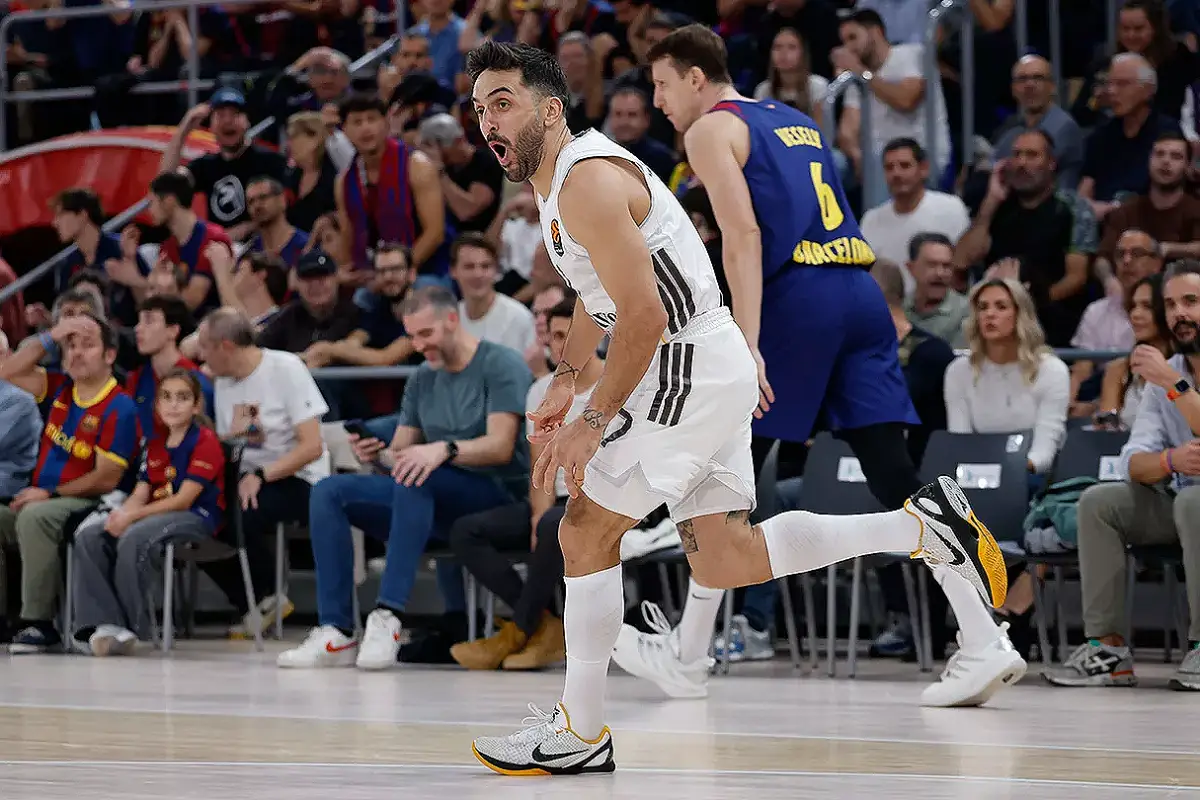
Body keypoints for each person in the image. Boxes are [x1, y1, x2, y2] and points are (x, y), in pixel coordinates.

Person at [464, 39, 1011, 775]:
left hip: (683, 357)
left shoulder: (586, 179)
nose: (488, 120)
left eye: (503, 102)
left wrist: (594, 423)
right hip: (703, 363)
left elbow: (645, 315)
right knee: (725, 560)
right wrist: (568, 377)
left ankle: (581, 731)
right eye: (478, 109)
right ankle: (918, 526)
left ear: (550, 109)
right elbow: (604, 300)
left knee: (584, 527)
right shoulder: (557, 178)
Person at [631, 23, 1023, 705]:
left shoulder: (709, 131)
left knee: (726, 477)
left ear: (696, 77)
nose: (659, 102)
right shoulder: (793, 118)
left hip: (798, 301)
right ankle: (985, 640)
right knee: (893, 471)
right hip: (861, 293)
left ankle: (687, 656)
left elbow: (744, 236)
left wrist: (747, 342)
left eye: (662, 85)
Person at [448, 296, 598, 671]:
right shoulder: (541, 389)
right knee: (468, 530)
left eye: (569, 335)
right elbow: (539, 468)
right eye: (555, 337)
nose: (561, 346)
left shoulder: (616, 384)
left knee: (552, 526)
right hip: (557, 501)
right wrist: (536, 515)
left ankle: (519, 629)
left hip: (602, 500)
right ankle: (544, 624)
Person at [0, 314, 139, 652]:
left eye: (87, 345)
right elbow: (6, 371)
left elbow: (106, 478)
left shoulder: (120, 406)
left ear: (109, 355)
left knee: (35, 517)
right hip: (42, 497)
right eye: (71, 346)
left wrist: (50, 493)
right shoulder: (59, 387)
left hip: (90, 501)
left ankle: (39, 623)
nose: (76, 353)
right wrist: (53, 334)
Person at [69, 369, 225, 656]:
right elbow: (141, 493)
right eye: (166, 397)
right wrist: (119, 515)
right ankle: (105, 626)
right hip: (154, 514)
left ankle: (135, 627)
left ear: (196, 405)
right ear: (156, 405)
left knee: (135, 537)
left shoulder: (205, 440)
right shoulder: (154, 443)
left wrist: (132, 518)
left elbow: (183, 499)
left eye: (182, 397)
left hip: (195, 516)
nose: (174, 404)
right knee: (92, 535)